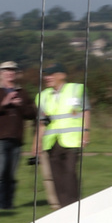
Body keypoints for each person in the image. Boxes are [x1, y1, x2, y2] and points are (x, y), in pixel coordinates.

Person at [0, 60, 35, 212]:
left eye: (12, 71)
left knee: (11, 174)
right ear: (0, 73)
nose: (9, 73)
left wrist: (21, 105)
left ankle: (8, 205)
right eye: (6, 71)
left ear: (16, 74)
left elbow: (32, 113)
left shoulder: (22, 92)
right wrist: (3, 103)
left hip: (16, 138)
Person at [35, 64, 87, 207]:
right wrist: (37, 142)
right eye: (46, 75)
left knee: (70, 173)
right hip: (52, 142)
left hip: (72, 141)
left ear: (62, 75)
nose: (47, 77)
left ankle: (74, 205)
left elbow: (86, 111)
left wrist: (86, 132)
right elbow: (41, 122)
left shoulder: (76, 90)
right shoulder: (42, 96)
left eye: (51, 74)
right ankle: (63, 207)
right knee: (57, 177)